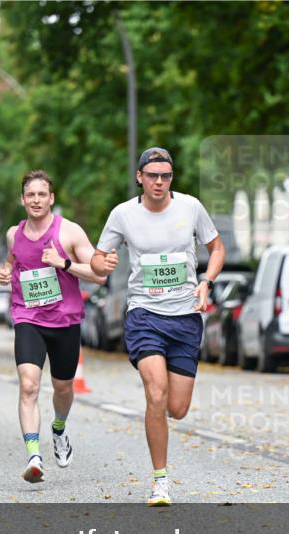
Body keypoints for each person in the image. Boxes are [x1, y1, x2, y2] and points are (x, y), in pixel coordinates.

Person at [91, 147, 225, 506]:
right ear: (140, 177)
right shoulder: (122, 214)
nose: (159, 182)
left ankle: (160, 416)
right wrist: (104, 261)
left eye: (166, 175)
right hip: (144, 314)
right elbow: (96, 259)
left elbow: (217, 249)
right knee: (156, 393)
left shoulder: (191, 208)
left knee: (176, 407)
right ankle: (160, 482)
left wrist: (206, 282)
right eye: (153, 175)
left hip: (184, 317)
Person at [0, 170, 105, 483]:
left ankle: (59, 428)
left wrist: (64, 264)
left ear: (51, 199)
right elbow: (11, 260)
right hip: (28, 317)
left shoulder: (69, 232)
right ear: (22, 199)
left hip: (65, 320)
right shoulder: (12, 233)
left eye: (41, 194)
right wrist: (5, 272)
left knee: (62, 388)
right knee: (29, 385)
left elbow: (99, 275)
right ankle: (34, 456)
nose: (35, 200)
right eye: (30, 195)